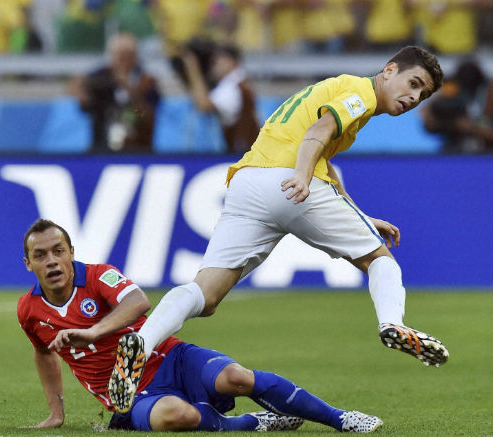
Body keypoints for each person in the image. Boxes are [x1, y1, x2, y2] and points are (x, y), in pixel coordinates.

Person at [110, 46, 450, 413]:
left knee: (205, 294)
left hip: (248, 181)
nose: (414, 97)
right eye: (413, 83)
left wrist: (361, 216)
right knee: (380, 261)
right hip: (290, 181)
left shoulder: (338, 88)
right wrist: (301, 176)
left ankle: (142, 342)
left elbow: (323, 158)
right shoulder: (360, 92)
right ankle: (393, 324)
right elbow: (319, 132)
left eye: (423, 94)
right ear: (390, 70)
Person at [17, 218, 384, 433]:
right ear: (28, 263)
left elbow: (139, 302)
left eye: (59, 251)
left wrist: (94, 332)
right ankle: (253, 422)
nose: (52, 261)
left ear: (72, 253)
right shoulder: (29, 310)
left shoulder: (98, 276)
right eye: (40, 255)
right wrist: (56, 412)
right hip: (130, 394)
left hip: (169, 357)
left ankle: (342, 419)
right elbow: (43, 353)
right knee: (178, 415)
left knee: (237, 377)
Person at [71, 32, 160, 153]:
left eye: (129, 56)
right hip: (103, 146)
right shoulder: (101, 78)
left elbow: (145, 115)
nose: (125, 61)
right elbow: (84, 101)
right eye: (121, 56)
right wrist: (81, 92)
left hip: (137, 147)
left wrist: (129, 90)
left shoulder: (146, 81)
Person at [182, 42, 260, 153]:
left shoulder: (233, 86)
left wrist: (193, 69)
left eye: (215, 62)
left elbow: (204, 105)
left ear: (230, 61)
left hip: (243, 152)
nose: (213, 67)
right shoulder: (240, 81)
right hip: (250, 150)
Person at [420, 59, 493, 153]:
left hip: (488, 153)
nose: (467, 92)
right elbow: (430, 126)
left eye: (473, 88)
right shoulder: (449, 98)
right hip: (453, 152)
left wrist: (472, 128)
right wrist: (435, 107)